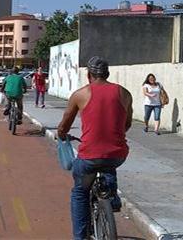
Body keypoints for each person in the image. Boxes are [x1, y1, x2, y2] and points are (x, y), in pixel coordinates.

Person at [57, 56, 133, 240]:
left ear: (89, 74)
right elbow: (127, 124)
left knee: (80, 192)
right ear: (107, 73)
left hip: (89, 156)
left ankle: (80, 237)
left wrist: (61, 134)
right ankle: (111, 196)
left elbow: (64, 125)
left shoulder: (80, 94)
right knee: (108, 163)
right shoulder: (123, 93)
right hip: (118, 154)